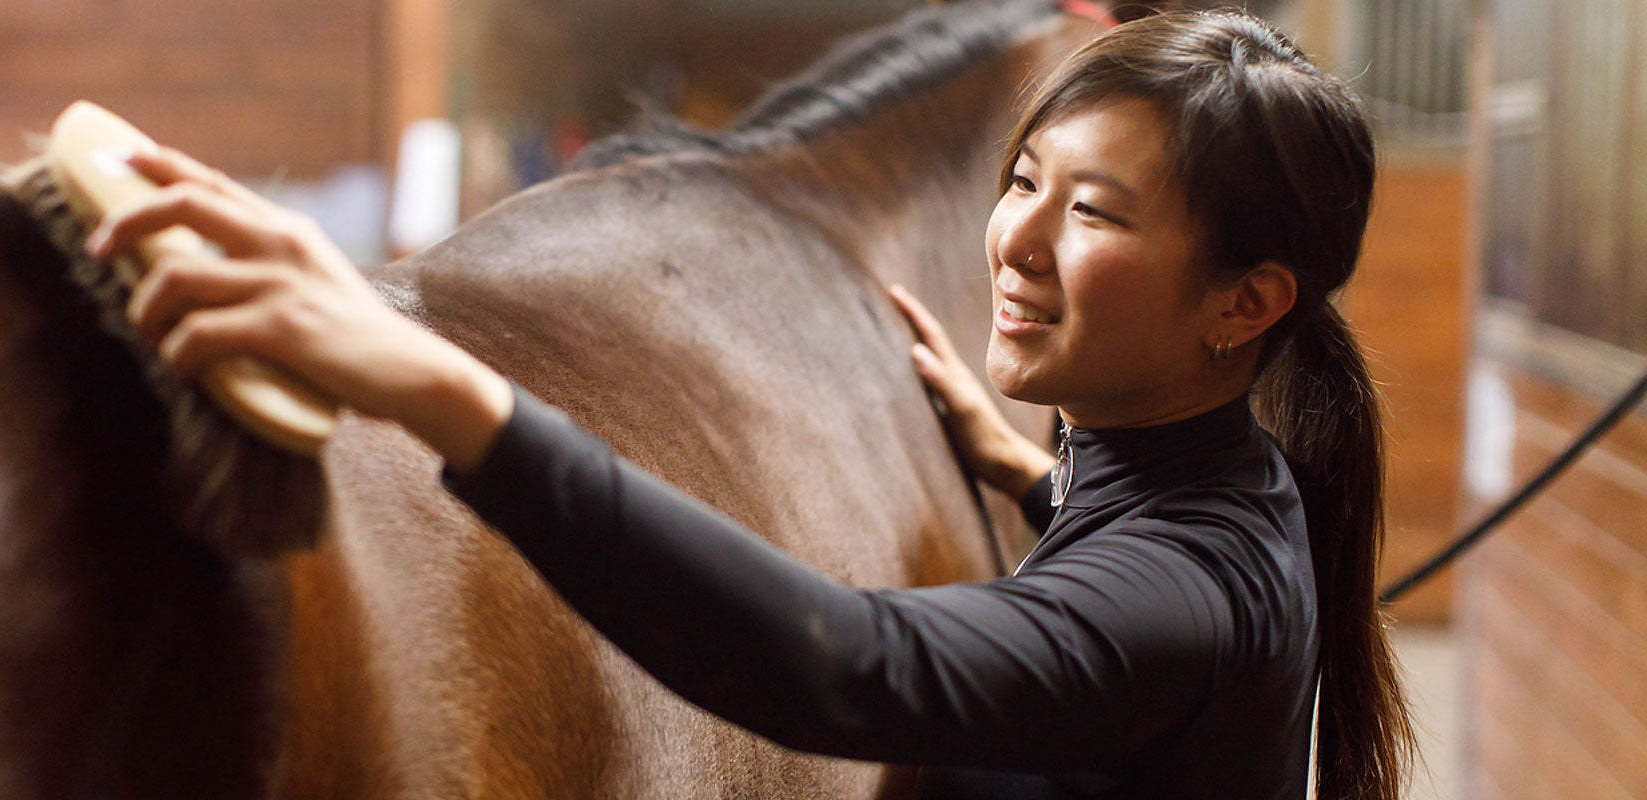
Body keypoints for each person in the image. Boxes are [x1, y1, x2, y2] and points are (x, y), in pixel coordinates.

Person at [87, 8, 1415, 798]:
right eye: (1025, 179)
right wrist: (1021, 472)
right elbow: (1134, 560)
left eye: (1096, 212)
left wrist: (450, 395)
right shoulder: (1231, 485)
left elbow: (850, 663)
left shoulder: (1178, 596)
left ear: (1245, 304)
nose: (1014, 240)